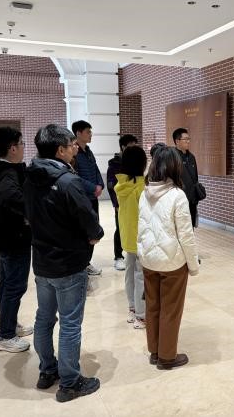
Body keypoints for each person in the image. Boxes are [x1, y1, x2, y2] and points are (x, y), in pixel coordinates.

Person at [24, 124, 104, 402]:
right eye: (71, 146)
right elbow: (88, 219)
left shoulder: (29, 176)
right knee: (70, 323)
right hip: (68, 263)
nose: (75, 150)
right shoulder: (68, 181)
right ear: (60, 150)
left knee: (44, 318)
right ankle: (70, 383)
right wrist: (95, 235)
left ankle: (48, 370)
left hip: (42, 261)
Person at [137, 147, 199, 370]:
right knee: (170, 310)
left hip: (148, 260)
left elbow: (141, 227)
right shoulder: (177, 195)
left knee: (153, 306)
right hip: (172, 263)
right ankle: (167, 357)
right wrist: (193, 265)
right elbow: (186, 235)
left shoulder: (144, 192)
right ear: (174, 167)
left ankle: (155, 352)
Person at [0, 127, 33, 353]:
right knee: (15, 286)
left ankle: (8, 324)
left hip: (3, 236)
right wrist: (29, 215)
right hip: (14, 237)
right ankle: (5, 335)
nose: (23, 148)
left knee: (6, 283)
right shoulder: (6, 172)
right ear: (12, 148)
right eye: (21, 144)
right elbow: (12, 197)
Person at [114, 145, 147, 329]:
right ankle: (141, 316)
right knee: (140, 275)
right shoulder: (142, 187)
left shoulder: (121, 185)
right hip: (141, 238)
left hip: (127, 237)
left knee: (129, 273)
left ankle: (133, 309)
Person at [72, 120, 104, 276]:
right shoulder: (73, 153)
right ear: (78, 133)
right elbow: (74, 176)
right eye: (88, 132)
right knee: (83, 232)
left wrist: (100, 185)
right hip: (82, 199)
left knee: (93, 231)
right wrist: (93, 187)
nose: (91, 134)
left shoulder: (89, 152)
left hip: (93, 198)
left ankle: (87, 263)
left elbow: (96, 170)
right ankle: (81, 264)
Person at [107, 134, 138, 271]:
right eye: (131, 146)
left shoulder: (134, 161)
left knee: (134, 227)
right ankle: (118, 256)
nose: (134, 149)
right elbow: (111, 186)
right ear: (123, 147)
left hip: (133, 201)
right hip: (121, 203)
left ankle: (133, 252)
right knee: (120, 228)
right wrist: (116, 204)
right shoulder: (114, 164)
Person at [172, 128, 201, 227]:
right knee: (180, 227)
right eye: (185, 139)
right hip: (179, 200)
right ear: (177, 141)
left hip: (192, 200)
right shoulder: (173, 157)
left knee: (190, 226)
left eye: (189, 139)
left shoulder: (191, 157)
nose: (188, 141)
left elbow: (195, 178)